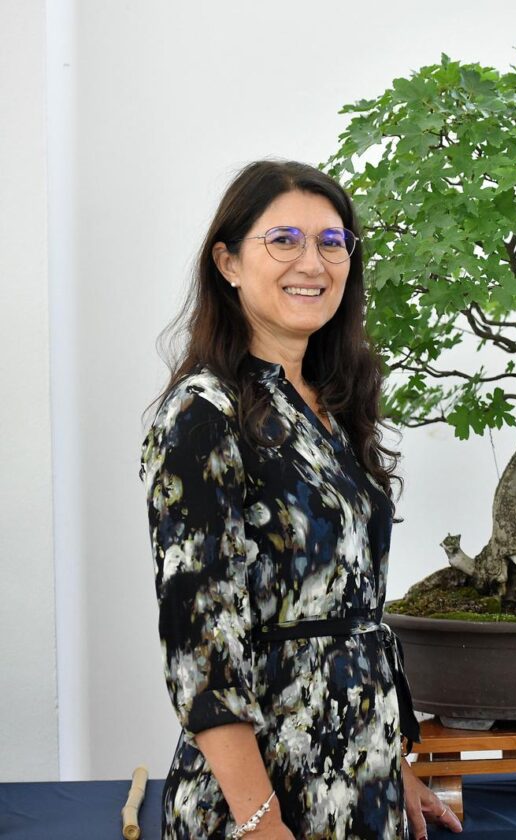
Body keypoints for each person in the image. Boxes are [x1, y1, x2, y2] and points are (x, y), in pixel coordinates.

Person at [142, 160, 463, 839]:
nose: (312, 262)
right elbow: (202, 649)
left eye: (331, 241)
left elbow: (344, 614)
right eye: (284, 239)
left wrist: (388, 766)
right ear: (228, 263)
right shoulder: (204, 414)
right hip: (263, 799)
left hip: (358, 786)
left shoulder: (330, 405)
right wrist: (259, 822)